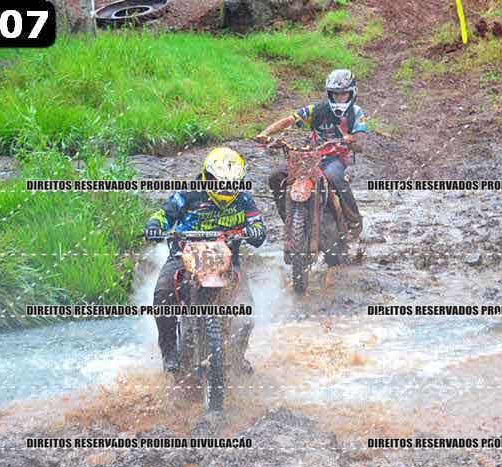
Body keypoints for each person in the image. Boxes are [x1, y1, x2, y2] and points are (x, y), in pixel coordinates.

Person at [143, 147, 266, 373]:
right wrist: (154, 226)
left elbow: (257, 223)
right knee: (163, 294)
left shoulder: (244, 199)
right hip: (183, 256)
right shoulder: (188, 194)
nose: (225, 189)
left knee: (246, 310)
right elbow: (163, 214)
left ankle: (238, 356)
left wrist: (256, 231)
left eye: (230, 184)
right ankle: (169, 352)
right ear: (207, 177)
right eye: (220, 183)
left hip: (227, 259)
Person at [254, 69, 366, 248]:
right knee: (276, 176)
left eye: (343, 94)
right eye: (335, 94)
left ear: (352, 93)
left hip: (334, 158)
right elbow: (289, 120)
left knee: (334, 176)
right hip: (310, 156)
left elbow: (361, 140)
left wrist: (352, 141)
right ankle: (290, 219)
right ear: (329, 94)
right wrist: (265, 133)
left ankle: (354, 221)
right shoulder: (317, 110)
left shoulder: (356, 112)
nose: (339, 98)